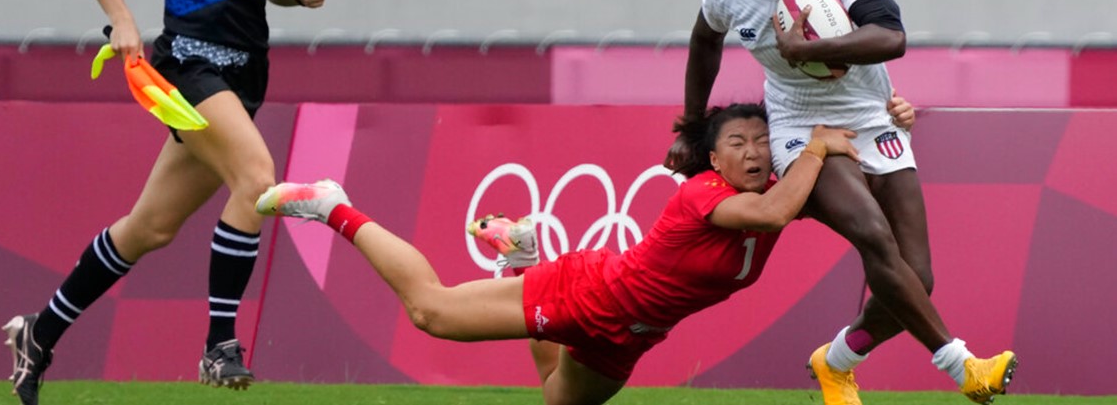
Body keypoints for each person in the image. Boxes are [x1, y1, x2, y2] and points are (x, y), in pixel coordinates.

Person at [2, 0, 330, 405]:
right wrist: (123, 20)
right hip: (185, 68)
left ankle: (37, 334)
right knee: (258, 177)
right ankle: (219, 345)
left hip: (246, 74)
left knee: (149, 229)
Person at [253, 99, 887, 405]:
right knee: (432, 313)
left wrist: (888, 118)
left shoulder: (780, 183)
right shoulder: (707, 192)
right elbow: (778, 210)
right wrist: (815, 148)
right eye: (737, 143)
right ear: (715, 157)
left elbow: (817, 185)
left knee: (558, 400)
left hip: (635, 332)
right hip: (592, 293)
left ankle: (523, 254)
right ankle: (332, 203)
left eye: (760, 141)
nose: (752, 152)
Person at [664, 0, 1017, 405]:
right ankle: (963, 366)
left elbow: (891, 37)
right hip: (799, 127)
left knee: (916, 276)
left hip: (875, 118)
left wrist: (809, 49)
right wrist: (692, 128)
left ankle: (835, 362)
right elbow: (704, 42)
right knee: (873, 234)